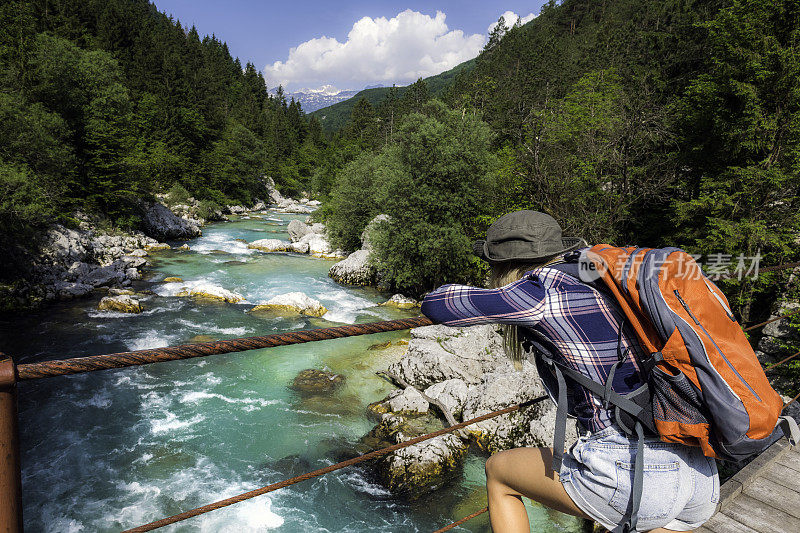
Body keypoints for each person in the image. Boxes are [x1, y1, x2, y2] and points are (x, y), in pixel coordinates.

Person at [420, 211, 719, 533]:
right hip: (699, 472)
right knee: (645, 519)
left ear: (504, 266)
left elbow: (437, 304)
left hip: (630, 472)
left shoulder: (538, 292)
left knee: (498, 472)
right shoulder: (610, 281)